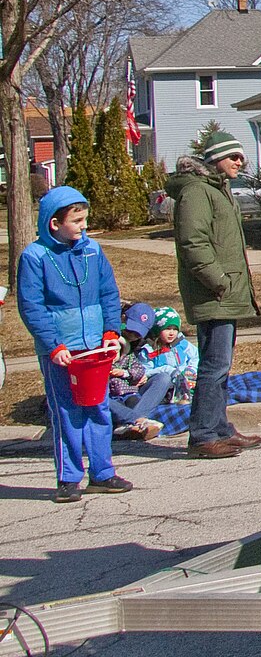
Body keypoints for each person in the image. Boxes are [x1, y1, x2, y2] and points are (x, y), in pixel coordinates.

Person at [17, 186, 132, 501]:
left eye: (85, 219)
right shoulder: (34, 256)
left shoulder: (93, 250)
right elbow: (31, 306)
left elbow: (109, 293)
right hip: (61, 353)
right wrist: (52, 344)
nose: (84, 226)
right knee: (67, 412)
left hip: (95, 347)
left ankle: (103, 472)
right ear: (55, 224)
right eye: (77, 220)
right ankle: (69, 478)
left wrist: (111, 331)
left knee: (99, 407)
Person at [171, 129, 261, 460]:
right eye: (234, 156)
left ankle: (220, 427)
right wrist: (219, 281)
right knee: (214, 364)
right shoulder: (196, 192)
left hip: (224, 292)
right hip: (213, 294)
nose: (241, 161)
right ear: (215, 159)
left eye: (241, 156)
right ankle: (203, 435)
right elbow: (193, 243)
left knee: (221, 363)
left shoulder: (217, 190)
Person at [111, 305, 198, 441]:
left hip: (131, 388)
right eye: (130, 330)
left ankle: (134, 422)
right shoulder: (111, 338)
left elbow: (139, 369)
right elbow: (145, 366)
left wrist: (134, 375)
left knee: (163, 379)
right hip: (113, 391)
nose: (133, 336)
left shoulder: (140, 344)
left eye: (138, 333)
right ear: (123, 319)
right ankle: (136, 421)